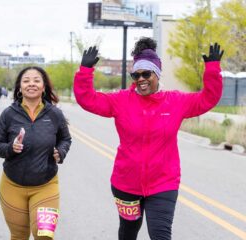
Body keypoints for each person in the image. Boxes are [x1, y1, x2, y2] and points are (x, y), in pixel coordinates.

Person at [74, 38, 224, 240]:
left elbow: (207, 98)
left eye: (146, 74)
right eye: (136, 75)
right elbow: (88, 100)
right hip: (126, 183)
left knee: (160, 235)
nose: (141, 79)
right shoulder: (120, 101)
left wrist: (212, 70)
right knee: (128, 234)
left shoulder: (176, 101)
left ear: (157, 74)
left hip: (163, 183)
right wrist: (85, 71)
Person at [0, 66, 72, 240]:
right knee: (19, 236)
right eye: (26, 81)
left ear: (44, 86)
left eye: (36, 80)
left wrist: (61, 152)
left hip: (46, 185)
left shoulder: (55, 114)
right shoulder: (9, 114)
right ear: (20, 87)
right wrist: (11, 148)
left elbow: (66, 139)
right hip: (12, 186)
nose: (31, 84)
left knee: (44, 235)